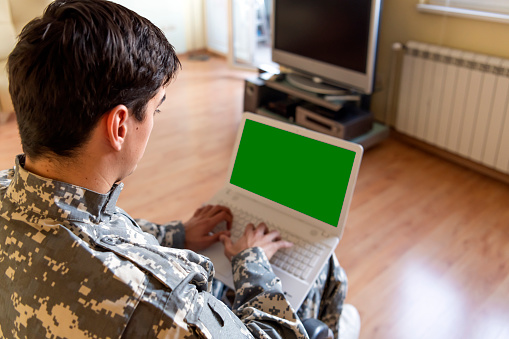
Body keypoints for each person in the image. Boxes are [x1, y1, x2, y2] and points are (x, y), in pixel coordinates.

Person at [0, 0, 359, 338]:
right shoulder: (160, 304)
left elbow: (93, 230)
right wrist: (253, 261)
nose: (154, 121)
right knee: (326, 275)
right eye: (155, 109)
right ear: (119, 127)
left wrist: (177, 233)